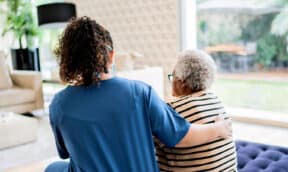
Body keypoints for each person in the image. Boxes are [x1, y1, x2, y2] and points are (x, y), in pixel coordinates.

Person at [45, 16, 232, 172]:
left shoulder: (58, 105)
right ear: (110, 56)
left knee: (53, 167)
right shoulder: (140, 92)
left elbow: (65, 153)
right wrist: (218, 129)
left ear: (67, 60)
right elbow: (180, 136)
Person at [155, 50, 237, 171]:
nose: (170, 81)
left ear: (181, 82)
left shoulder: (171, 108)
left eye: (171, 77)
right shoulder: (216, 100)